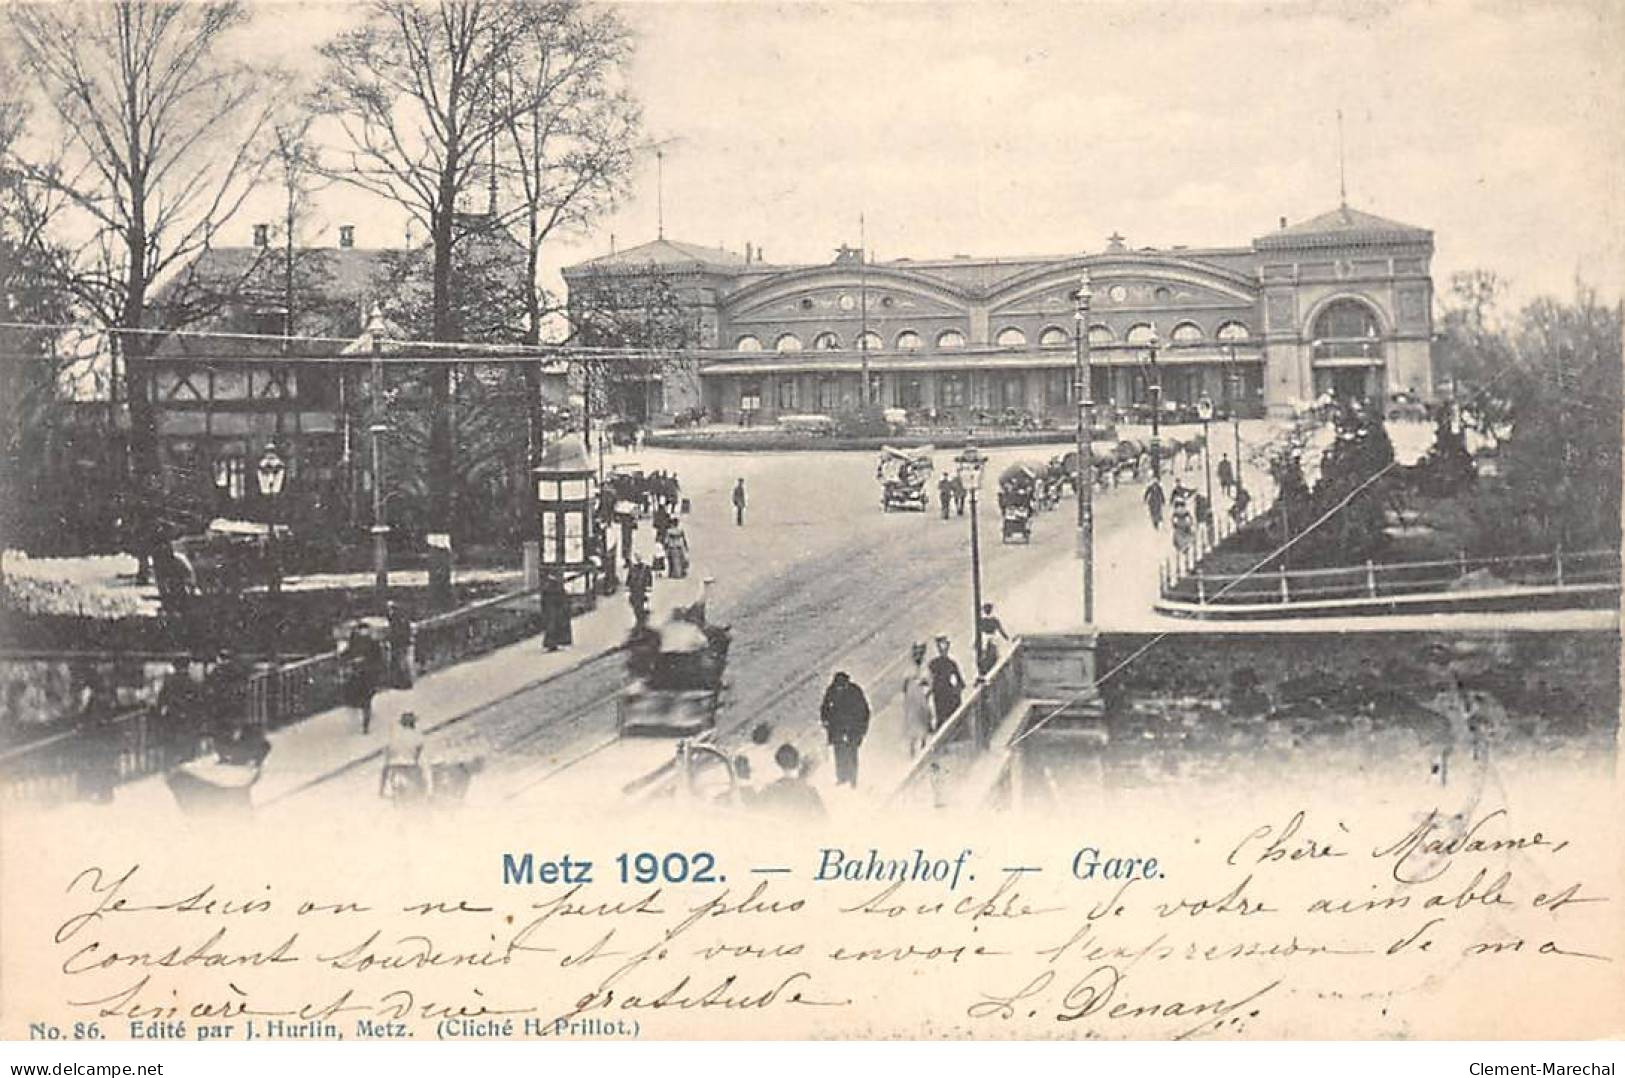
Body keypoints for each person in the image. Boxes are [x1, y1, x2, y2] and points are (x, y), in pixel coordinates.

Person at [819, 671, 870, 788]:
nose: (839, 689)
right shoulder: (831, 691)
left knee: (851, 754)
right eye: (838, 687)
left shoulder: (855, 692)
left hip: (853, 729)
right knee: (839, 754)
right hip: (837, 729)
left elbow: (864, 712)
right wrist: (825, 721)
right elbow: (824, 708)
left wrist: (862, 730)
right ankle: (841, 778)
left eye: (842, 687)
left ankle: (853, 780)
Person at [753, 743, 826, 819]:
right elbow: (824, 821)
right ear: (798, 762)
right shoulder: (810, 792)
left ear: (778, 763)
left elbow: (753, 810)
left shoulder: (769, 790)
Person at [379, 711, 431, 801]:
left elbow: (387, 757)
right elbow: (421, 757)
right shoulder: (417, 736)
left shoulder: (394, 737)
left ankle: (385, 792)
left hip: (393, 768)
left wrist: (382, 786)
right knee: (421, 786)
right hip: (410, 767)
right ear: (412, 724)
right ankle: (424, 796)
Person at [342, 624, 383, 734]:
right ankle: (364, 720)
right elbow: (348, 653)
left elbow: (378, 658)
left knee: (366, 700)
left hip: (368, 675)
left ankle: (366, 725)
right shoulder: (355, 640)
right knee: (359, 700)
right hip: (358, 675)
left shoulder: (373, 643)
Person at [926, 635, 965, 730]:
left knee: (941, 717)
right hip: (944, 693)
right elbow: (961, 683)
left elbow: (930, 680)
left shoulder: (934, 664)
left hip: (940, 693)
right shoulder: (949, 663)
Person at [902, 642, 934, 755]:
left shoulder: (925, 669)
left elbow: (930, 684)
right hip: (912, 702)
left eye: (920, 654)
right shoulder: (909, 670)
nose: (918, 657)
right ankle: (912, 748)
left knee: (925, 719)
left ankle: (923, 744)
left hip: (922, 699)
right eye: (916, 654)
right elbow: (904, 687)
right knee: (912, 724)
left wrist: (926, 691)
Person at [386, 601, 414, 689]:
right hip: (404, 642)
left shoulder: (395, 619)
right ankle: (405, 682)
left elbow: (396, 632)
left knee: (401, 663)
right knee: (404, 663)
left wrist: (390, 639)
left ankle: (403, 682)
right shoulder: (402, 618)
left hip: (399, 643)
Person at [977, 603, 1011, 676]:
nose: (987, 610)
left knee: (995, 649)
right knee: (984, 650)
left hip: (992, 637)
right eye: (986, 609)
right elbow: (979, 631)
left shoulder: (994, 620)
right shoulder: (982, 620)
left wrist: (1006, 638)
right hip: (985, 638)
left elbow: (1000, 630)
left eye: (989, 609)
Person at [541, 574, 573, 651]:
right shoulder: (552, 590)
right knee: (554, 621)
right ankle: (555, 642)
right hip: (554, 603)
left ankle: (555, 642)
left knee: (555, 621)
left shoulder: (552, 590)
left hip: (555, 603)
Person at [626, 556, 653, 628]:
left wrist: (648, 592)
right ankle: (639, 620)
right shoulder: (631, 569)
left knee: (641, 607)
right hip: (633, 591)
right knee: (635, 607)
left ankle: (640, 622)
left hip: (642, 591)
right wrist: (627, 591)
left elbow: (649, 581)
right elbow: (628, 580)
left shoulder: (646, 568)